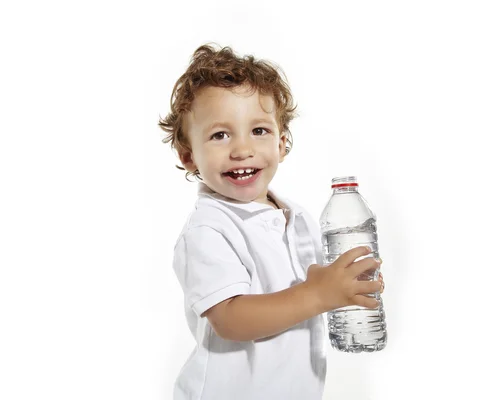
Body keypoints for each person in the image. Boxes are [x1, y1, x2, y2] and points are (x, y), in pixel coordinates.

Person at [158, 43, 384, 400]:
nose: (242, 149)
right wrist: (318, 295)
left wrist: (343, 287)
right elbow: (230, 319)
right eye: (220, 135)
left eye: (258, 131)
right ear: (189, 156)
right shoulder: (208, 230)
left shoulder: (299, 218)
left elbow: (315, 290)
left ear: (281, 143)